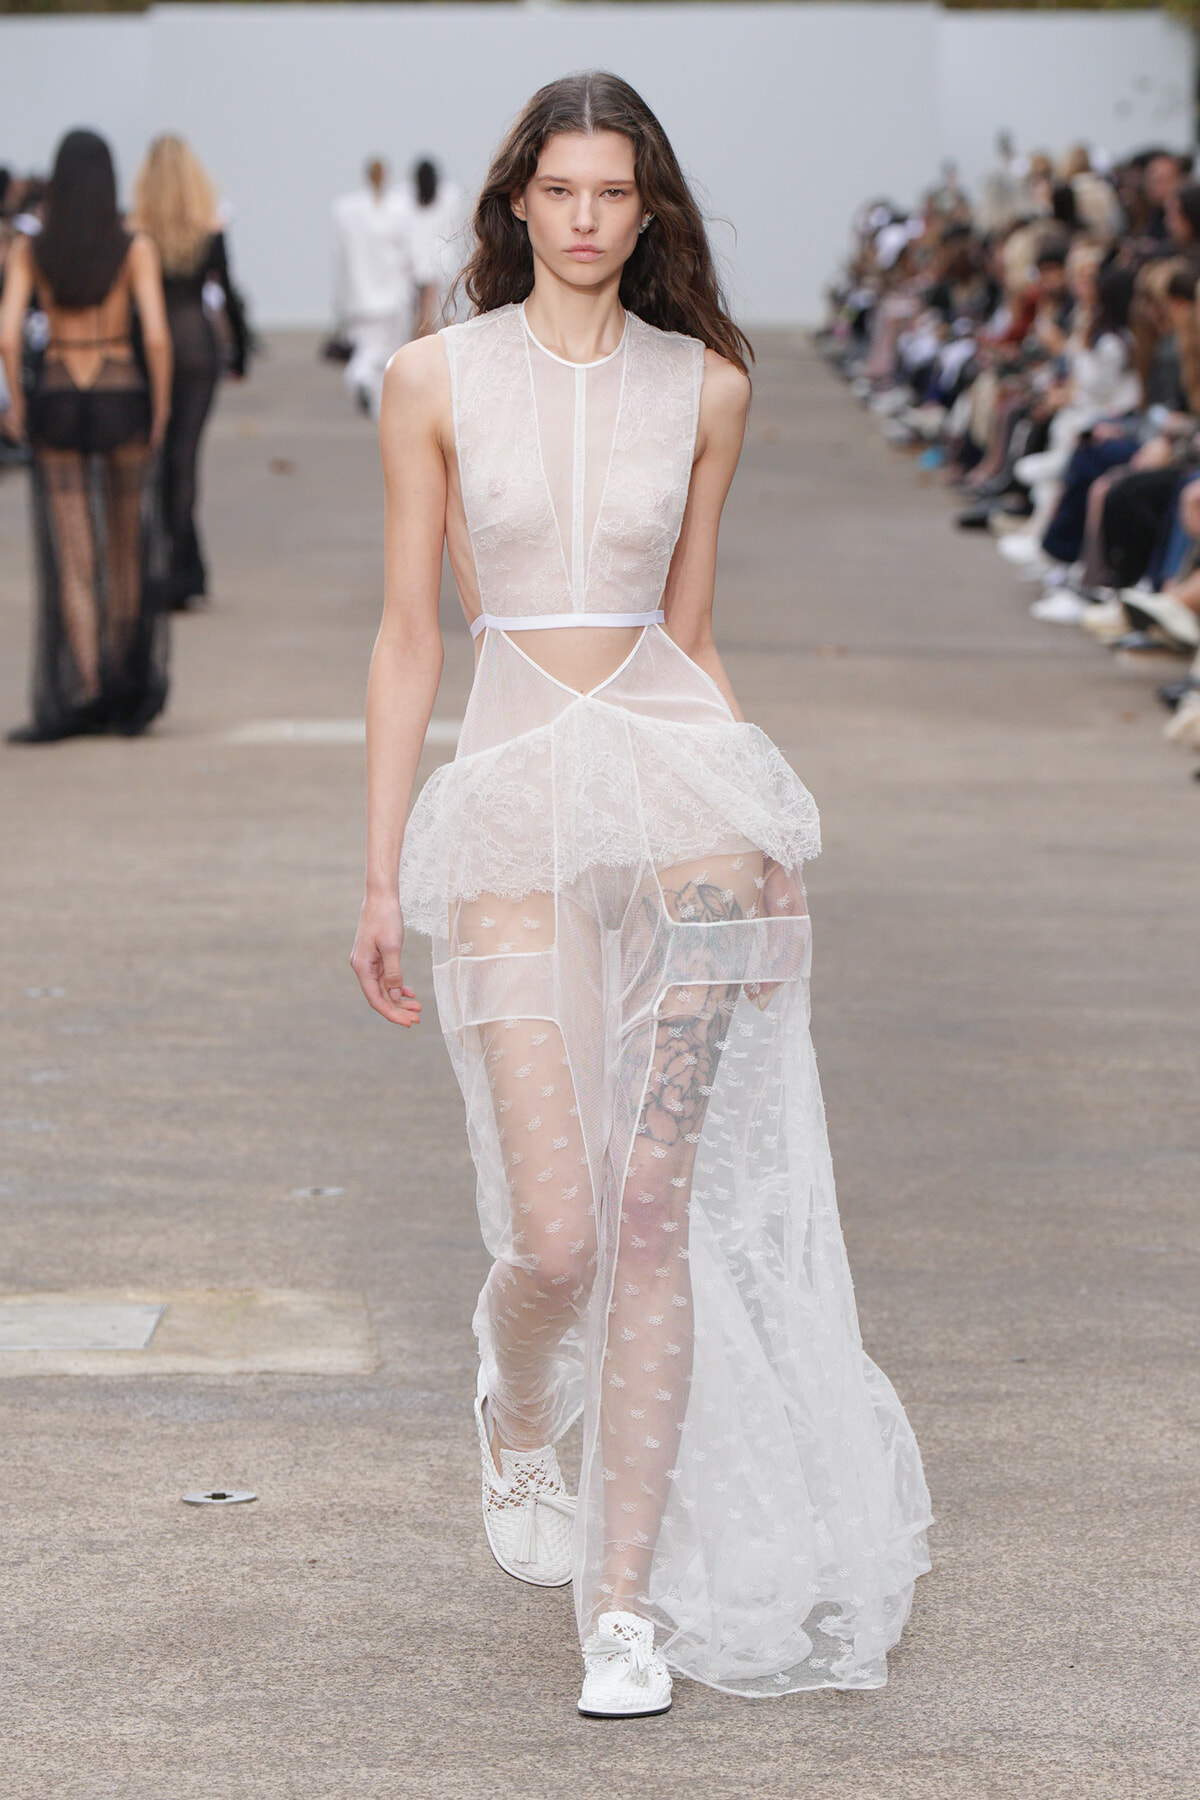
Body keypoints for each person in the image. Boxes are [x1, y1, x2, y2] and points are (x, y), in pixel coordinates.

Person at [350, 72, 931, 1718]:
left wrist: (764, 826)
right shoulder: (433, 379)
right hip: (514, 806)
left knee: (654, 1205)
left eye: (614, 192)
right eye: (562, 191)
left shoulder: (708, 386)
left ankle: (623, 1610)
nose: (588, 218)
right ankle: (519, 1397)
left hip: (684, 808)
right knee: (558, 1233)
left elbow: (692, 634)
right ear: (518, 203)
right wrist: (380, 871)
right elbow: (407, 637)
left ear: (647, 206)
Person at [0, 129, 171, 742]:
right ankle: (124, 681)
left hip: (57, 395)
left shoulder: (32, 249)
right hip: (120, 392)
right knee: (124, 549)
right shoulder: (134, 247)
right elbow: (156, 336)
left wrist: (17, 402)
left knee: (73, 556)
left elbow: (7, 334)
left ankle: (89, 683)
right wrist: (161, 408)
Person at [131, 134, 249, 610]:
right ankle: (186, 569)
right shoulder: (209, 229)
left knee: (158, 458)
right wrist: (239, 355)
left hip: (148, 349)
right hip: (197, 349)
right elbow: (230, 295)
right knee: (183, 458)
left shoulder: (136, 231)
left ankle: (173, 566)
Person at [331, 157, 430, 417]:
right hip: (395, 296)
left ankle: (367, 389)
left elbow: (340, 257)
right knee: (389, 354)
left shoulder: (346, 211)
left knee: (367, 350)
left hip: (360, 297)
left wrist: (340, 303)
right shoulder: (401, 209)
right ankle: (370, 392)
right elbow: (412, 254)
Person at [408, 157, 467, 326]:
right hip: (440, 262)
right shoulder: (449, 197)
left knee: (423, 314)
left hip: (422, 264)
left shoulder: (409, 201)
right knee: (435, 313)